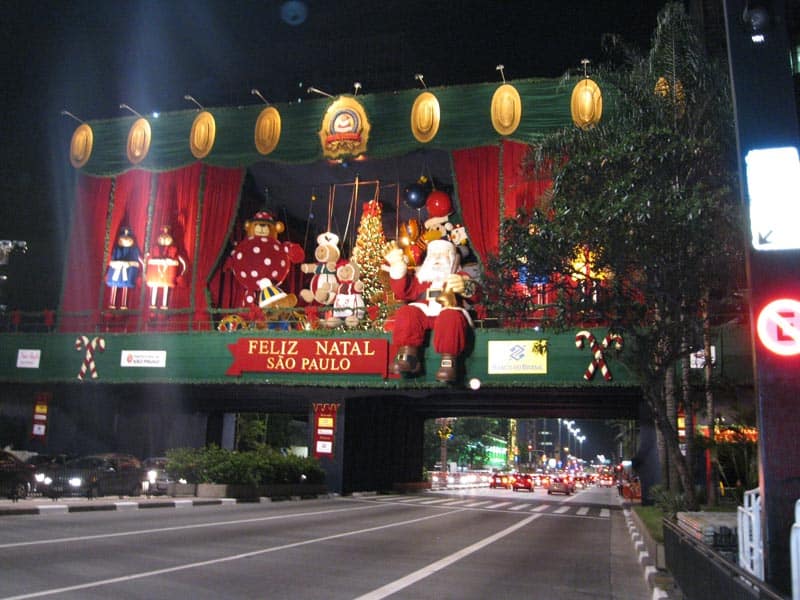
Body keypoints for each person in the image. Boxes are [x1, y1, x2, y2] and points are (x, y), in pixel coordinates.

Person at [383, 238, 475, 382]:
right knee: (407, 312)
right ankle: (408, 357)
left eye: (443, 254)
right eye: (434, 254)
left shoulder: (458, 276)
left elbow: (476, 294)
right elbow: (402, 291)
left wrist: (464, 286)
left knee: (451, 317)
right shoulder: (421, 278)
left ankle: (448, 362)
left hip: (447, 310)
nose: (437, 258)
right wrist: (397, 266)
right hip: (423, 311)